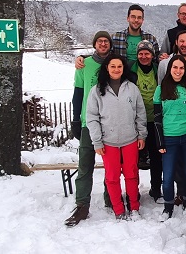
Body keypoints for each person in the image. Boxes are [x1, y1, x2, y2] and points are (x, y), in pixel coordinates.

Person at [86, 54, 147, 220]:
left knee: (131, 175)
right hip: (108, 142)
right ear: (107, 68)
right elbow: (92, 117)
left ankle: (134, 207)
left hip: (130, 140)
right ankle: (119, 210)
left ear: (123, 68)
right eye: (113, 66)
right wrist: (97, 141)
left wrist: (142, 134)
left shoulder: (132, 88)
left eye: (119, 66)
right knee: (112, 178)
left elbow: (140, 112)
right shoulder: (97, 90)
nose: (116, 69)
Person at [64, 31, 113, 227]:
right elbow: (77, 94)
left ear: (110, 44)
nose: (103, 44)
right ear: (95, 44)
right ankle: (82, 204)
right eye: (99, 41)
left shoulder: (115, 64)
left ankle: (111, 197)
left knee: (110, 166)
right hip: (87, 123)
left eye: (106, 41)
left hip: (109, 123)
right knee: (85, 165)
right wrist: (75, 119)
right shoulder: (84, 65)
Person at [154, 55, 186, 220]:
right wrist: (160, 141)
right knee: (167, 176)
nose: (178, 71)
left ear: (185, 70)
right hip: (169, 138)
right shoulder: (161, 89)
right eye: (175, 67)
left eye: (181, 68)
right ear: (170, 69)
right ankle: (168, 207)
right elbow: (157, 118)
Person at [74, 4, 160, 69]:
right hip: (121, 78)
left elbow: (156, 60)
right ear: (128, 18)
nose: (136, 20)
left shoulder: (150, 39)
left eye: (139, 17)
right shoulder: (116, 37)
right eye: (133, 17)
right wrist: (83, 57)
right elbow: (103, 55)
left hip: (144, 81)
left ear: (142, 20)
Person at [131, 40, 163, 201]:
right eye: (141, 53)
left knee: (157, 157)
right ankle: (133, 190)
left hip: (155, 119)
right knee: (133, 159)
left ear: (152, 55)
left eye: (147, 53)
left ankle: (156, 188)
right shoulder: (130, 70)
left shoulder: (158, 70)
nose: (144, 56)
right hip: (135, 121)